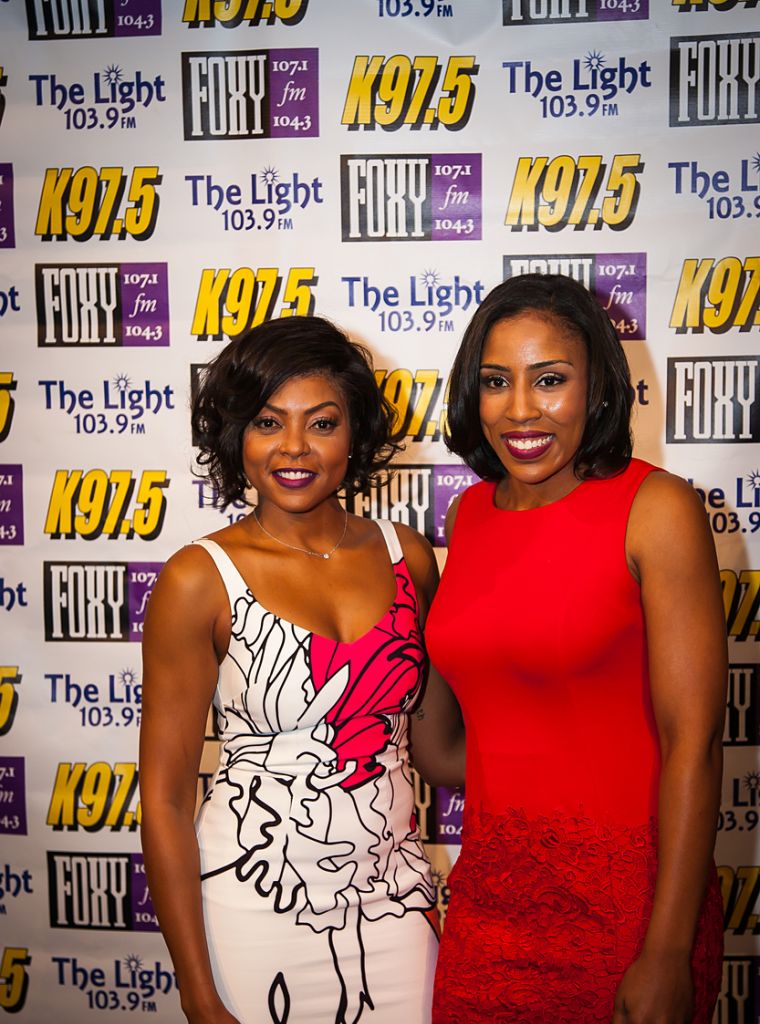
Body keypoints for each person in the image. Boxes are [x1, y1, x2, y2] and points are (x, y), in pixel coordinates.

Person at [413, 273, 726, 1023]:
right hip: (490, 905)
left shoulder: (657, 508)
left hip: (630, 910)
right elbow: (453, 748)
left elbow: (695, 743)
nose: (520, 409)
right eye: (497, 381)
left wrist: (666, 951)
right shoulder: (470, 513)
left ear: (598, 387)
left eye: (549, 379)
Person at [139, 316, 439, 1024]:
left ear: (355, 432)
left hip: (396, 898)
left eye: (322, 422)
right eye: (268, 422)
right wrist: (197, 990)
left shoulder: (409, 557)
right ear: (236, 435)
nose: (294, 447)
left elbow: (438, 748)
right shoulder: (198, 579)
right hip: (253, 899)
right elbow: (165, 800)